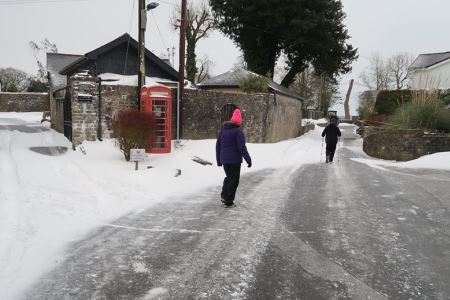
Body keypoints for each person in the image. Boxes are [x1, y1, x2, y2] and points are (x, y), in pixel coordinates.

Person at [216, 108, 252, 207]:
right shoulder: (238, 132)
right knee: (234, 180)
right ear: (239, 122)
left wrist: (219, 160)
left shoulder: (223, 131)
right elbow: (242, 147)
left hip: (224, 160)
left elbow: (218, 146)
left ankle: (224, 196)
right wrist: (248, 159)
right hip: (234, 160)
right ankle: (228, 201)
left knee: (229, 178)